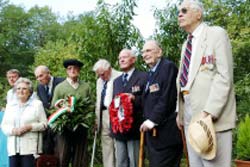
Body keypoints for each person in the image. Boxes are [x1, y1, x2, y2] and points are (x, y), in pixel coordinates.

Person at [175, 0, 236, 167]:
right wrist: (180, 112)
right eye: (178, 11)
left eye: (184, 10)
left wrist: (209, 112)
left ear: (198, 14)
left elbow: (224, 76)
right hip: (188, 117)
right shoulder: (186, 45)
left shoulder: (216, 34)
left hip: (210, 118)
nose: (179, 14)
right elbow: (184, 81)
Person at [140, 40, 183, 167]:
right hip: (155, 136)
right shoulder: (151, 73)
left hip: (167, 134)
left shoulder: (167, 67)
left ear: (159, 52)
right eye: (143, 52)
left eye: (148, 51)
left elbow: (167, 97)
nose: (144, 55)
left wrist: (151, 120)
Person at [51, 59, 91, 167]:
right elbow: (53, 106)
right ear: (66, 71)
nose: (72, 70)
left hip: (81, 126)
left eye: (75, 68)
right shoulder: (59, 87)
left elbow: (90, 104)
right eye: (70, 68)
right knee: (63, 155)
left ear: (79, 70)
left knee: (80, 157)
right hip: (65, 127)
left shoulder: (86, 86)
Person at [111, 49, 147, 167]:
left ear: (133, 59)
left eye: (125, 57)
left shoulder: (143, 76)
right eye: (120, 58)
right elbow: (114, 105)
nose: (121, 60)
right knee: (121, 162)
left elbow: (149, 100)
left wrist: (134, 99)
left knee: (135, 162)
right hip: (119, 130)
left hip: (135, 129)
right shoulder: (116, 81)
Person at [1, 77, 47, 167]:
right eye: (18, 88)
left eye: (24, 88)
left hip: (30, 148)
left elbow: (44, 125)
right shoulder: (10, 105)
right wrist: (13, 130)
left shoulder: (37, 104)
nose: (21, 91)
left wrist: (30, 127)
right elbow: (4, 126)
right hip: (13, 149)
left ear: (30, 91)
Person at [92, 59, 121, 167]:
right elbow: (98, 101)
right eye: (98, 75)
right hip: (103, 115)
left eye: (102, 74)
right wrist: (96, 119)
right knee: (107, 147)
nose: (101, 77)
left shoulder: (120, 75)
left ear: (109, 69)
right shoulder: (99, 81)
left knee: (118, 146)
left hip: (116, 114)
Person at [34, 65, 64, 155]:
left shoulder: (62, 82)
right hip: (47, 125)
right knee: (47, 151)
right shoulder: (40, 87)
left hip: (61, 123)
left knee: (60, 152)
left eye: (41, 76)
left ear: (48, 73)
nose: (39, 79)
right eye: (37, 77)